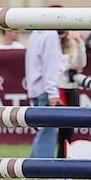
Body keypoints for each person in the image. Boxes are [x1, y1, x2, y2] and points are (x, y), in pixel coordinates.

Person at [24, 25, 64, 160]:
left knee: (43, 130)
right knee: (48, 130)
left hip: (35, 87)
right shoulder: (51, 35)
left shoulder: (34, 34)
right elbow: (50, 64)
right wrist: (53, 92)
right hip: (45, 88)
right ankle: (43, 170)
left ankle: (32, 168)